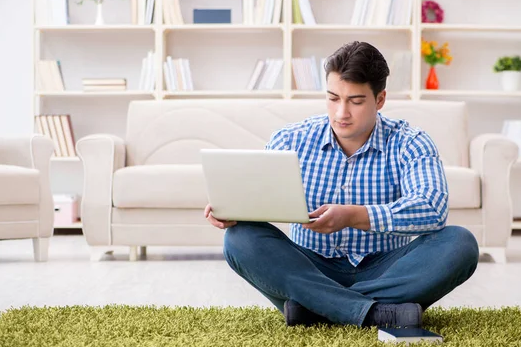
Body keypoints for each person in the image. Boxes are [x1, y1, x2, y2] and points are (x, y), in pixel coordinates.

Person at [204, 41, 479, 328]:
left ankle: (317, 309)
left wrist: (354, 215)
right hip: (310, 269)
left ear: (380, 99)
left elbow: (432, 209)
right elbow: (258, 198)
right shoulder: (290, 140)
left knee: (460, 243)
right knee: (239, 239)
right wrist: (232, 208)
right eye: (333, 98)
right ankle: (373, 312)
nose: (341, 113)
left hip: (387, 270)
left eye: (356, 101)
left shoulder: (410, 142)